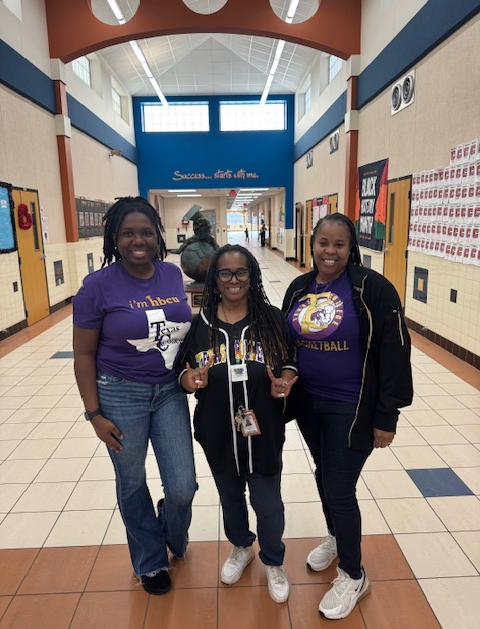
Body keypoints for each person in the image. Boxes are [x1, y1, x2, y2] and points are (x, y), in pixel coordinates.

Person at [282, 213, 413, 620]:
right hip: (309, 402)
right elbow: (286, 343)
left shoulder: (372, 289)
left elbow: (394, 352)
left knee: (339, 488)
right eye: (323, 242)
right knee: (325, 474)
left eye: (339, 244)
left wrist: (386, 415)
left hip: (352, 406)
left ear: (351, 247)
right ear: (312, 243)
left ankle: (354, 575)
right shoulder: (300, 287)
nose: (330, 251)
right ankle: (338, 537)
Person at [72, 196, 197, 596]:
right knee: (131, 482)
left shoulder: (172, 274)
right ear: (114, 237)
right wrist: (94, 414)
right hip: (119, 395)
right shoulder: (97, 287)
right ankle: (150, 561)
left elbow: (183, 331)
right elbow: (83, 354)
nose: (137, 241)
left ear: (158, 236)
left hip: (169, 393)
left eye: (145, 232)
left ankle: (170, 530)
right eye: (127, 233)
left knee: (183, 486)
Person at [177, 244, 298, 603]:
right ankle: (242, 546)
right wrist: (190, 381)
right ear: (214, 279)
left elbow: (290, 362)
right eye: (225, 273)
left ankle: (273, 560)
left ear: (252, 276)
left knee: (269, 504)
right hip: (218, 433)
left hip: (264, 435)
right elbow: (182, 372)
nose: (233, 280)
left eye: (241, 272)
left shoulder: (271, 319)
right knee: (230, 499)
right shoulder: (199, 325)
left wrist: (285, 381)